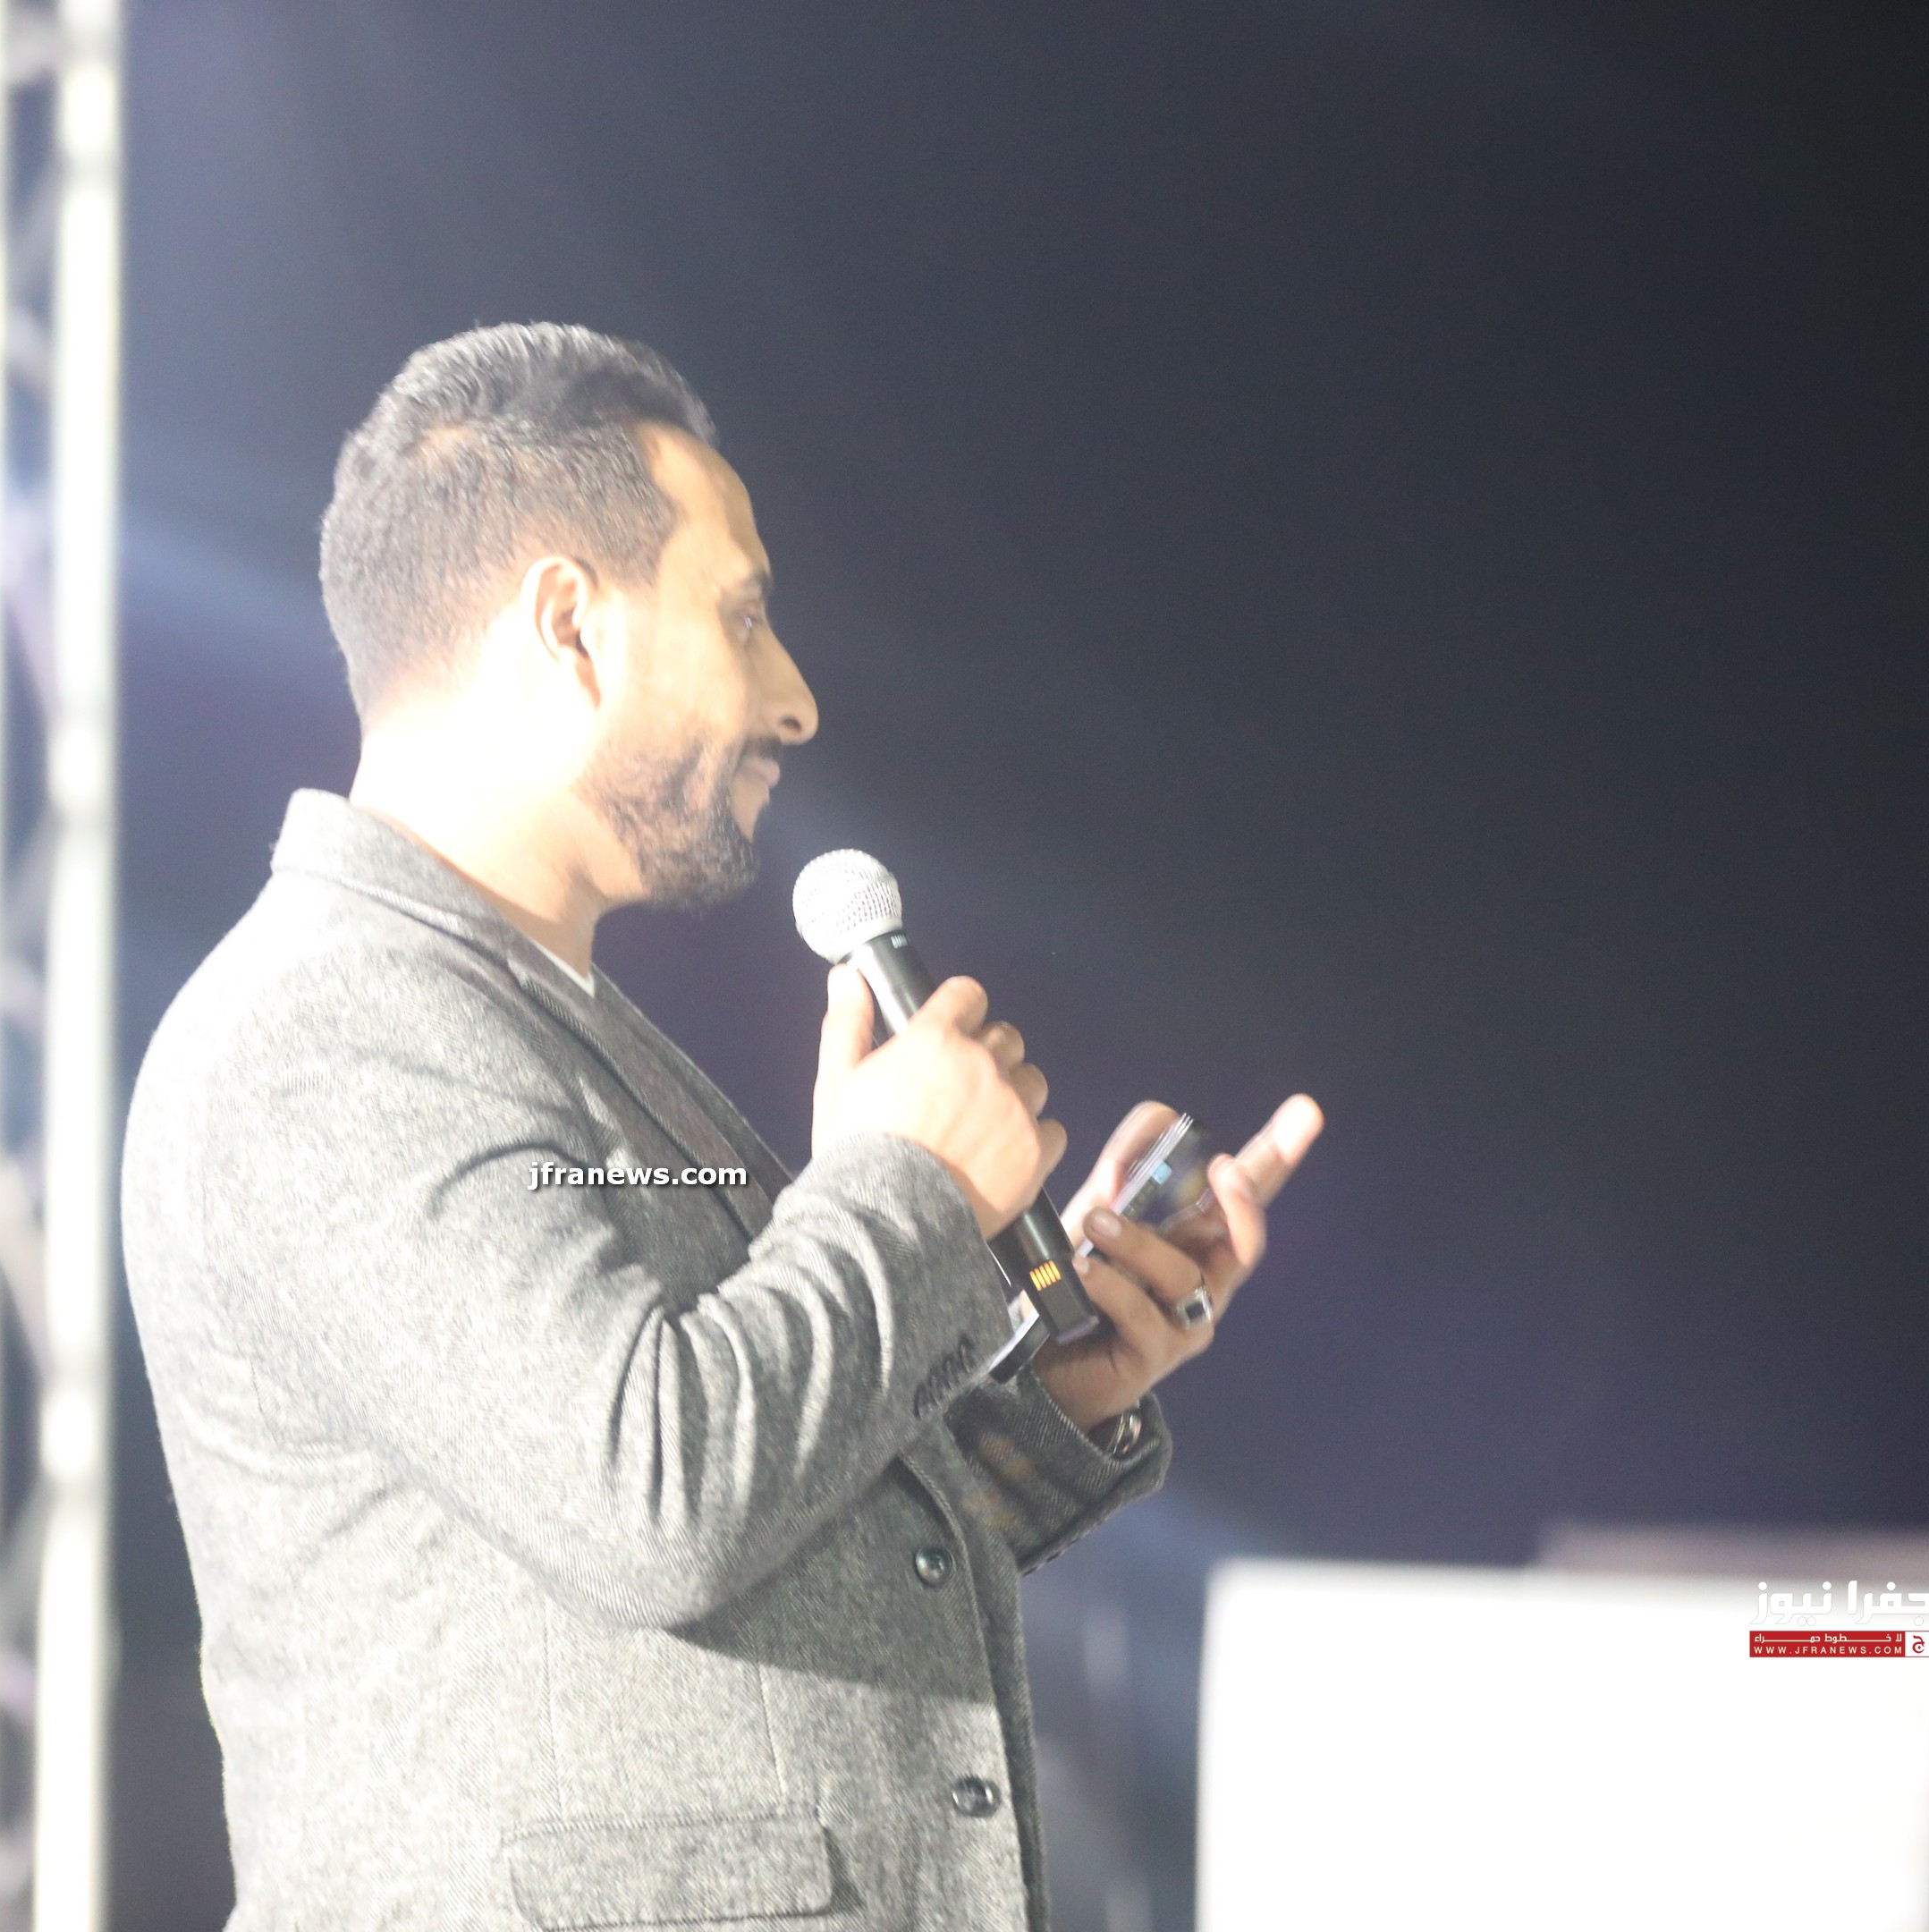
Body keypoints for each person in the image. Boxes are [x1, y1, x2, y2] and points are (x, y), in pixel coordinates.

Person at [122, 322, 1320, 1929]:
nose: (798, 700)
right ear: (568, 625)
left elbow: (754, 1546)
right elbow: (655, 1492)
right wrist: (904, 1190)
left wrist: (1044, 1390)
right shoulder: (327, 1030)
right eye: (744, 618)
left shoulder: (554, 1031)